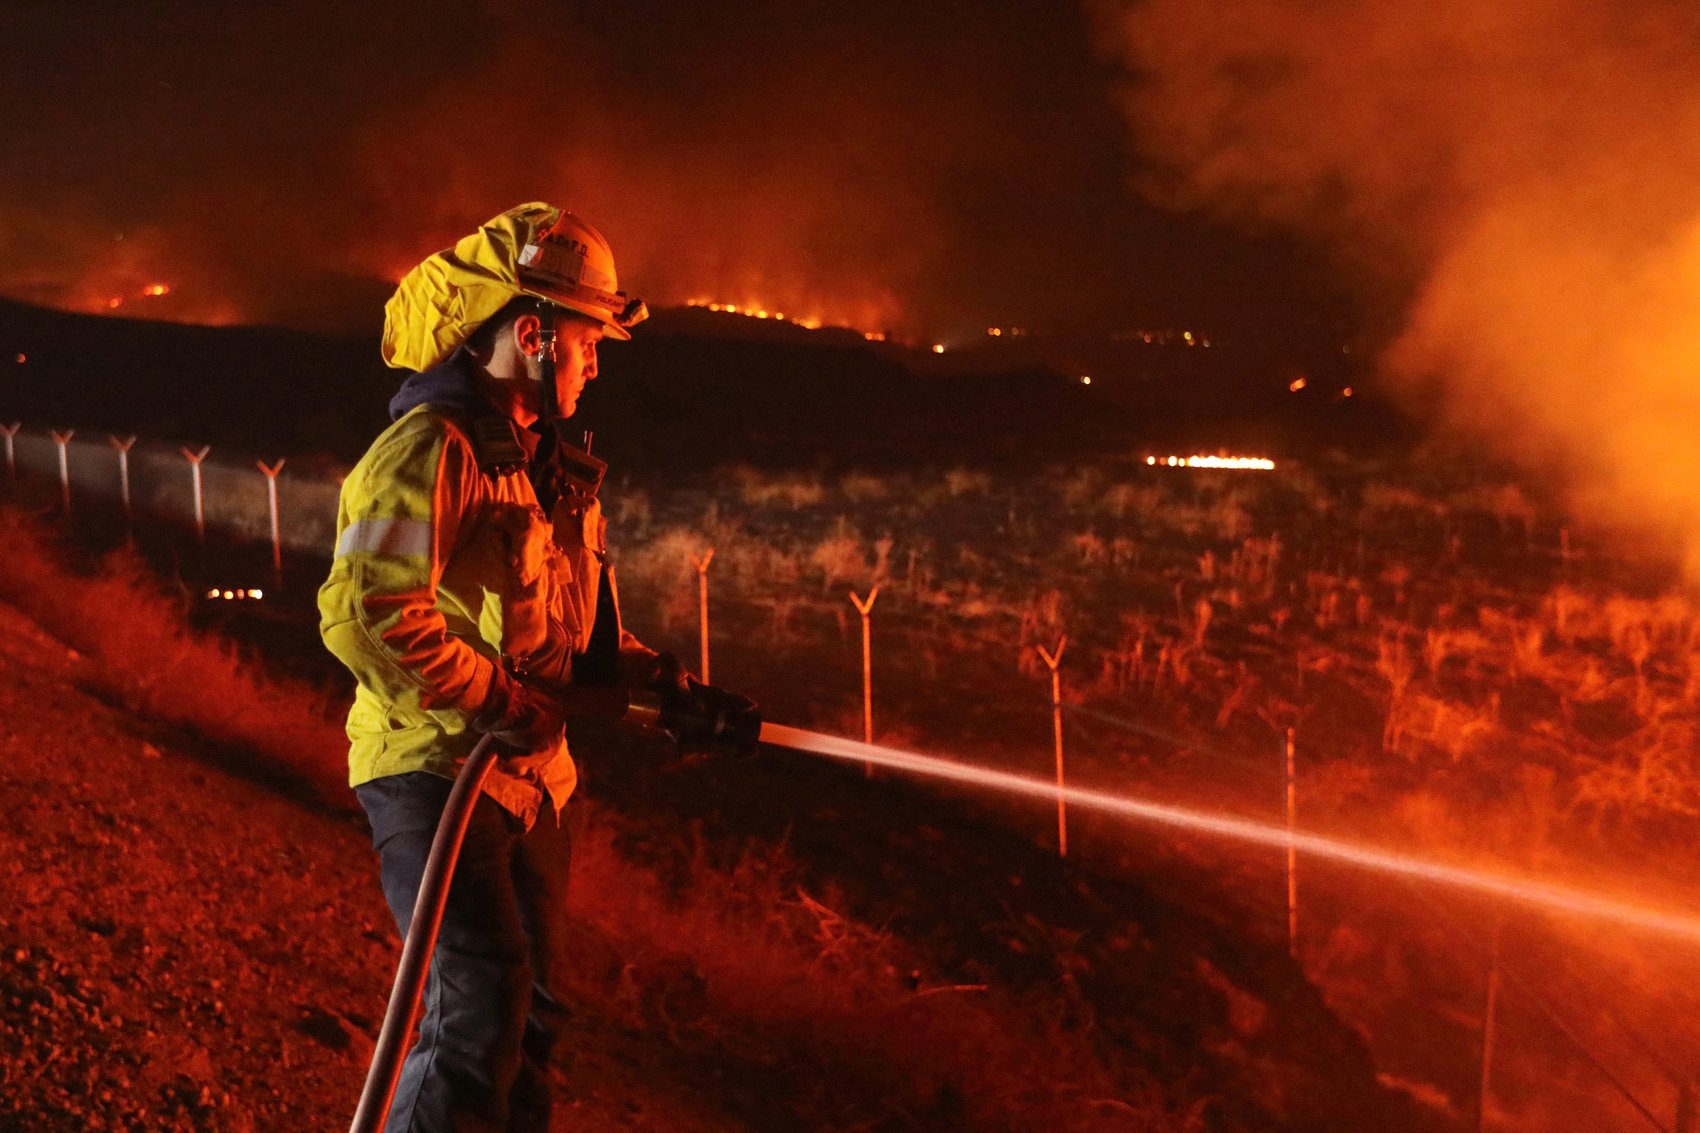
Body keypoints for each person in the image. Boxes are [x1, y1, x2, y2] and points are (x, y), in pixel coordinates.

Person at [318, 202, 758, 1132]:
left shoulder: (540, 464)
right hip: (438, 772)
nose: (595, 363)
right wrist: (496, 701)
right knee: (476, 1009)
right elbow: (364, 615)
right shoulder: (429, 451)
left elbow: (568, 632)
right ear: (532, 332)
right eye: (589, 339)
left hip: (531, 786)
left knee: (534, 1016)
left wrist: (664, 684)